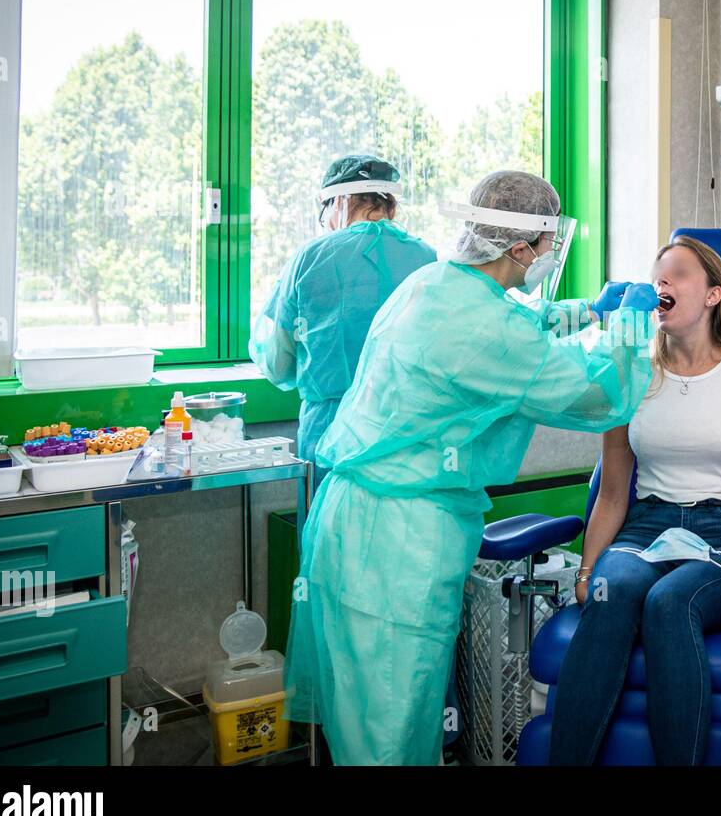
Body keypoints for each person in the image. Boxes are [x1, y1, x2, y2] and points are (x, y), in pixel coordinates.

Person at [282, 169, 661, 765]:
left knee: (374, 715)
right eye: (546, 244)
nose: (547, 255)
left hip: (354, 524)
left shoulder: (433, 283)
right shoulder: (487, 327)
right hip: (397, 546)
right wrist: (635, 329)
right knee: (392, 723)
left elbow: (513, 326)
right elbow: (589, 390)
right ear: (519, 246)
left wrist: (585, 312)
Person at [548, 236, 721, 765]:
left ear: (712, 296)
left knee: (669, 603)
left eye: (678, 273)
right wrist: (588, 573)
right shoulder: (630, 373)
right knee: (614, 593)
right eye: (658, 274)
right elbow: (613, 492)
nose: (662, 283)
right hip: (647, 524)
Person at [250, 155, 436, 490]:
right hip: (409, 430)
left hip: (332, 430)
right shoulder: (426, 257)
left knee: (332, 531)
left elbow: (277, 362)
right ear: (390, 204)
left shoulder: (313, 257)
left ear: (340, 200)